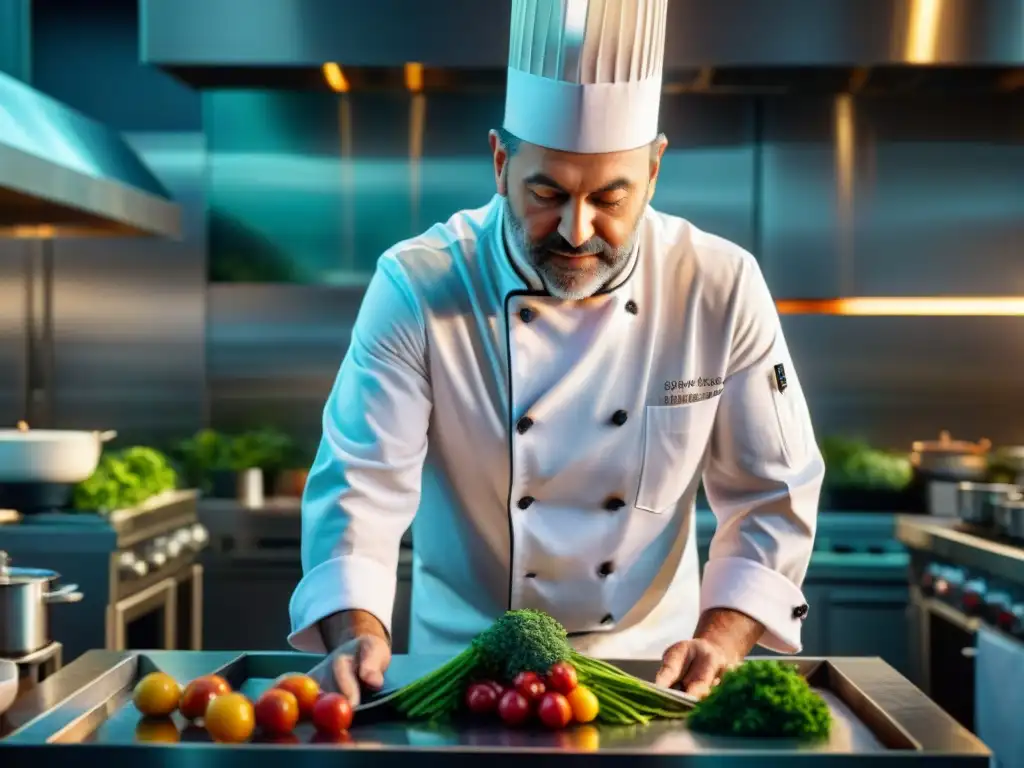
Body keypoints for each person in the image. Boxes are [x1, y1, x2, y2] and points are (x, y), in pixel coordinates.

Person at [289, 0, 824, 706]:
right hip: (461, 679)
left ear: (655, 171)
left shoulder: (718, 286)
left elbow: (771, 492)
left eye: (610, 197)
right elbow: (360, 484)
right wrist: (357, 631)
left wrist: (721, 640)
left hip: (652, 676)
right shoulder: (418, 285)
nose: (577, 230)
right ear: (501, 161)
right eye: (547, 193)